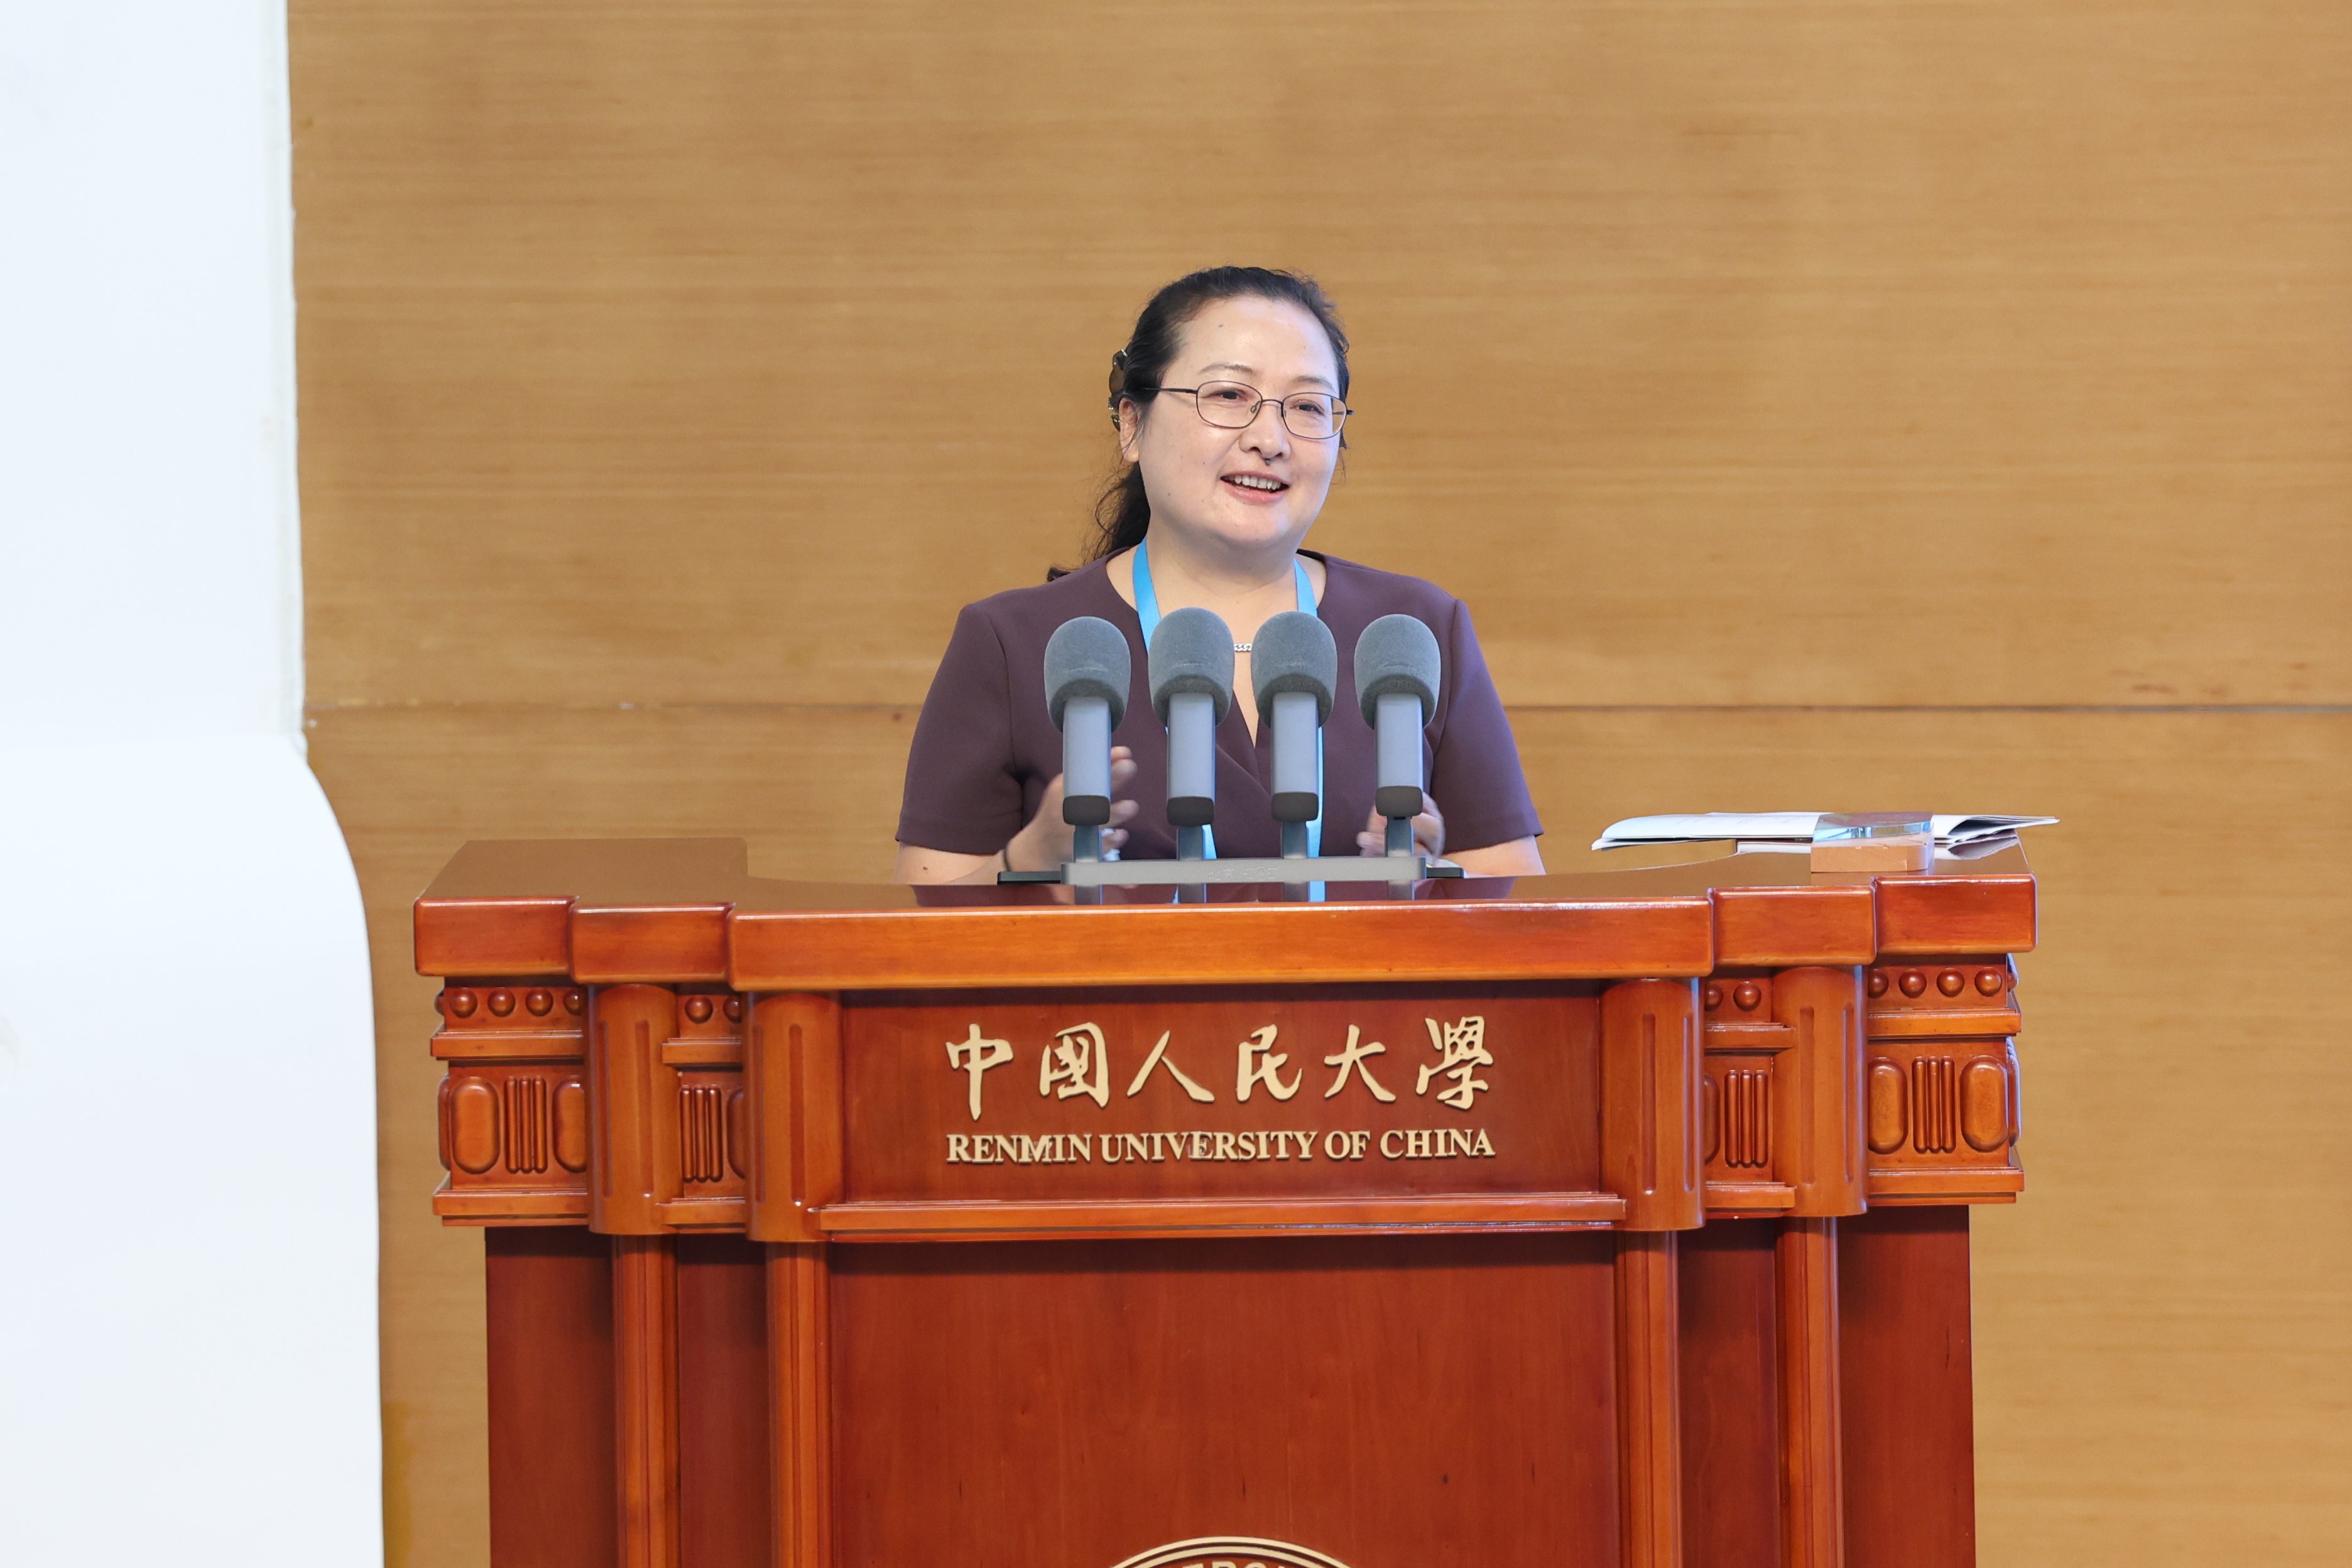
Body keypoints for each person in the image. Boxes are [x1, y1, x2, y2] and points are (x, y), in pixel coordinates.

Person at [893, 266, 1545, 884]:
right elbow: (917, 928)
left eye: (1308, 407)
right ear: (1132, 424)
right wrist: (1029, 863)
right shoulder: (1012, 642)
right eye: (1230, 395)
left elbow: (1523, 916)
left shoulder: (1413, 631)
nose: (1271, 439)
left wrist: (1433, 884)